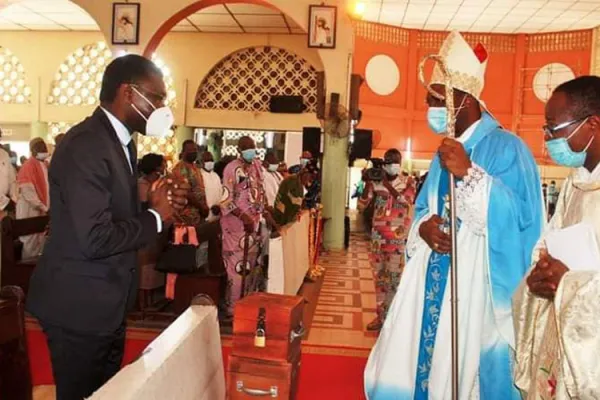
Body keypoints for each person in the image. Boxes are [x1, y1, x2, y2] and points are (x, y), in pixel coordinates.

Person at [364, 31, 543, 400]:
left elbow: (522, 224)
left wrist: (471, 174)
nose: (431, 107)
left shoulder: (510, 149)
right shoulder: (442, 152)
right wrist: (424, 229)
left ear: (461, 99)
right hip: (433, 283)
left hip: (477, 293)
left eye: (435, 98)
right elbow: (425, 211)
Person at [26, 54, 188, 400]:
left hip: (104, 303)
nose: (162, 106)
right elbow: (95, 237)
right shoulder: (87, 144)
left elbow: (111, 208)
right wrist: (156, 217)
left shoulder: (119, 142)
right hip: (80, 305)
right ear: (129, 93)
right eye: (157, 97)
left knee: (104, 393)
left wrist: (152, 198)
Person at [513, 76, 600, 399]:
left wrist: (570, 283)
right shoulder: (575, 185)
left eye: (554, 128)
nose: (548, 138)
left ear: (592, 124)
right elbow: (548, 242)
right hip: (559, 333)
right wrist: (540, 274)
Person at [358, 149, 416, 331]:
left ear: (400, 162)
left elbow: (406, 201)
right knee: (380, 281)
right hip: (378, 240)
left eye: (395, 161)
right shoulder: (376, 183)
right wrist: (368, 184)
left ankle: (393, 319)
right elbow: (361, 205)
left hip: (397, 242)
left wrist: (386, 185)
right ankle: (380, 317)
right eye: (389, 161)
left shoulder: (408, 182)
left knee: (394, 280)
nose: (392, 164)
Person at [220, 136, 267, 315]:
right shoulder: (232, 169)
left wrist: (263, 212)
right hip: (235, 227)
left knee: (251, 266)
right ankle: (233, 307)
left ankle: (246, 303)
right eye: (246, 147)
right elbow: (225, 201)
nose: (250, 150)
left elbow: (259, 193)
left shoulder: (256, 167)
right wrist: (243, 216)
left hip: (252, 226)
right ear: (239, 150)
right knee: (236, 268)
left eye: (252, 147)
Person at [16, 137, 50, 258]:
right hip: (30, 211)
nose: (43, 150)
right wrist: (44, 208)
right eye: (40, 148)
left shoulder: (45, 165)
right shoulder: (28, 166)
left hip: (41, 210)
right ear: (33, 150)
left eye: (44, 147)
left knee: (40, 241)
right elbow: (28, 193)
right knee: (30, 242)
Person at [172, 140, 209, 226]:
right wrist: (201, 207)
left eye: (195, 150)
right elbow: (187, 193)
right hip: (186, 216)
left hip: (198, 214)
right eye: (190, 150)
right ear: (183, 152)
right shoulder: (180, 169)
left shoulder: (195, 168)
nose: (194, 152)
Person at [200, 150, 223, 220]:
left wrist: (219, 206)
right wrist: (210, 207)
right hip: (206, 215)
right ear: (202, 162)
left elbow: (221, 193)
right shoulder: (199, 176)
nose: (209, 162)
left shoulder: (216, 176)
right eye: (207, 160)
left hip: (218, 213)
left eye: (211, 160)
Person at [0, 128, 17, 218]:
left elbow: (12, 179)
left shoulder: (4, 154)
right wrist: (4, 202)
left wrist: (13, 198)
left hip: (5, 208)